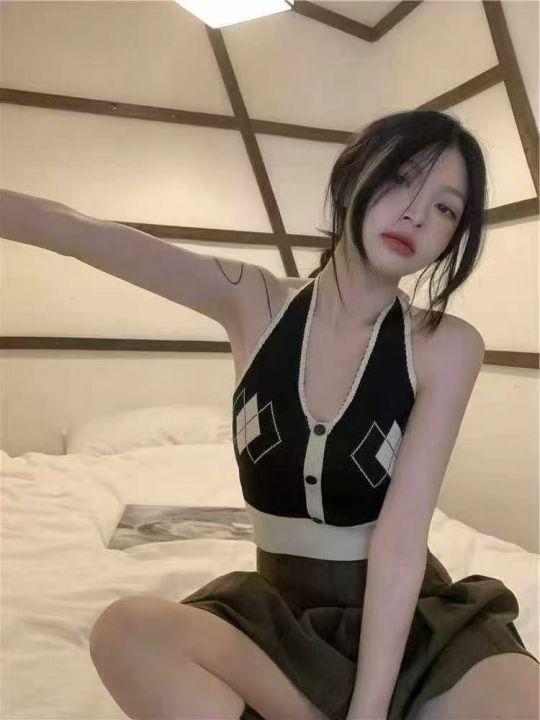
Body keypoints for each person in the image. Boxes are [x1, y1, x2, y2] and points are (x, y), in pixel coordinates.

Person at [3, 108, 538, 720]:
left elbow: (400, 541)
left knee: (523, 699)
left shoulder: (447, 345)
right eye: (400, 178)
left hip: (409, 622)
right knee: (126, 632)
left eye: (445, 208)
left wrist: (368, 711)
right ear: (353, 177)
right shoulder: (252, 301)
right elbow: (76, 231)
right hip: (278, 623)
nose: (416, 213)